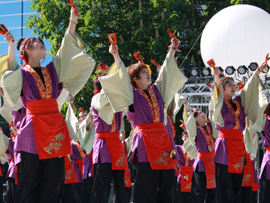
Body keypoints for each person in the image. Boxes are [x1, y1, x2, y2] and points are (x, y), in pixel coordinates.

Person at [2, 5, 96, 203]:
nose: (41, 43)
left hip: (54, 126)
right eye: (36, 42)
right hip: (32, 129)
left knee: (55, 178)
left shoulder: (52, 70)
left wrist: (73, 20)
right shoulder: (23, 73)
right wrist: (10, 45)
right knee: (29, 179)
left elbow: (66, 48)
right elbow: (10, 71)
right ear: (27, 50)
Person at [99, 36, 187, 202]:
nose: (148, 74)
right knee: (146, 184)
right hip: (146, 143)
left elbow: (166, 72)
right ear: (135, 79)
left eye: (147, 71)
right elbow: (123, 79)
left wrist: (172, 50)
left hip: (163, 141)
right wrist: (116, 56)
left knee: (168, 183)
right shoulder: (131, 95)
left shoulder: (157, 90)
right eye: (143, 72)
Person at [210, 63, 267, 203]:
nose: (233, 87)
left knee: (236, 186)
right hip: (225, 147)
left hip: (238, 147)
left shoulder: (239, 102)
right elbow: (215, 94)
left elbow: (248, 91)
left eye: (234, 85)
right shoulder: (219, 103)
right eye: (229, 85)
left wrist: (258, 71)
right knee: (225, 188)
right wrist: (217, 77)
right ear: (222, 90)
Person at [90, 44, 132, 203]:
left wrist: (116, 56)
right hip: (103, 145)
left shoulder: (117, 99)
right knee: (102, 187)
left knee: (121, 187)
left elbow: (123, 80)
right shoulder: (97, 98)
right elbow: (104, 98)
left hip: (116, 144)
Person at [182, 102, 217, 203]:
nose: (203, 114)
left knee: (213, 193)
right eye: (200, 113)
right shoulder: (196, 130)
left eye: (202, 112)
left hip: (212, 163)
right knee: (200, 193)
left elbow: (215, 115)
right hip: (202, 164)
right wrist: (188, 111)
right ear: (195, 119)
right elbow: (190, 125)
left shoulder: (211, 127)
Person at [176, 131, 196, 203]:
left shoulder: (196, 150)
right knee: (181, 199)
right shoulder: (177, 148)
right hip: (181, 178)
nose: (187, 138)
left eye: (189, 136)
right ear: (182, 137)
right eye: (185, 135)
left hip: (193, 177)